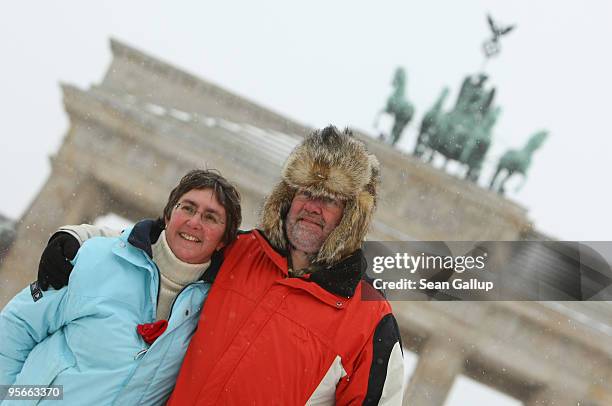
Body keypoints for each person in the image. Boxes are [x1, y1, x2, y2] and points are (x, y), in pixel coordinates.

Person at [37, 126, 405, 405]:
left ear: (351, 216)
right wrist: (78, 239)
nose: (313, 206)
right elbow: (147, 247)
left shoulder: (371, 321)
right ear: (288, 198)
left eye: (331, 200)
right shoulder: (238, 252)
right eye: (306, 192)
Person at [0, 170, 241, 405]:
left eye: (210, 217)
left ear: (224, 240)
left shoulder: (215, 311)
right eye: (187, 208)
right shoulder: (96, 258)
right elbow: (17, 327)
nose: (194, 222)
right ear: (168, 216)